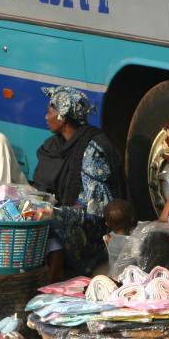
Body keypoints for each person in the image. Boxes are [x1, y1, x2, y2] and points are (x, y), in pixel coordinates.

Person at [32, 86, 125, 278]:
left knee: (47, 220)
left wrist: (58, 213)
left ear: (63, 118)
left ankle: (54, 282)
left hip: (93, 222)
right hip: (68, 210)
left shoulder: (92, 151)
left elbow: (96, 206)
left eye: (50, 112)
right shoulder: (54, 145)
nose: (46, 117)